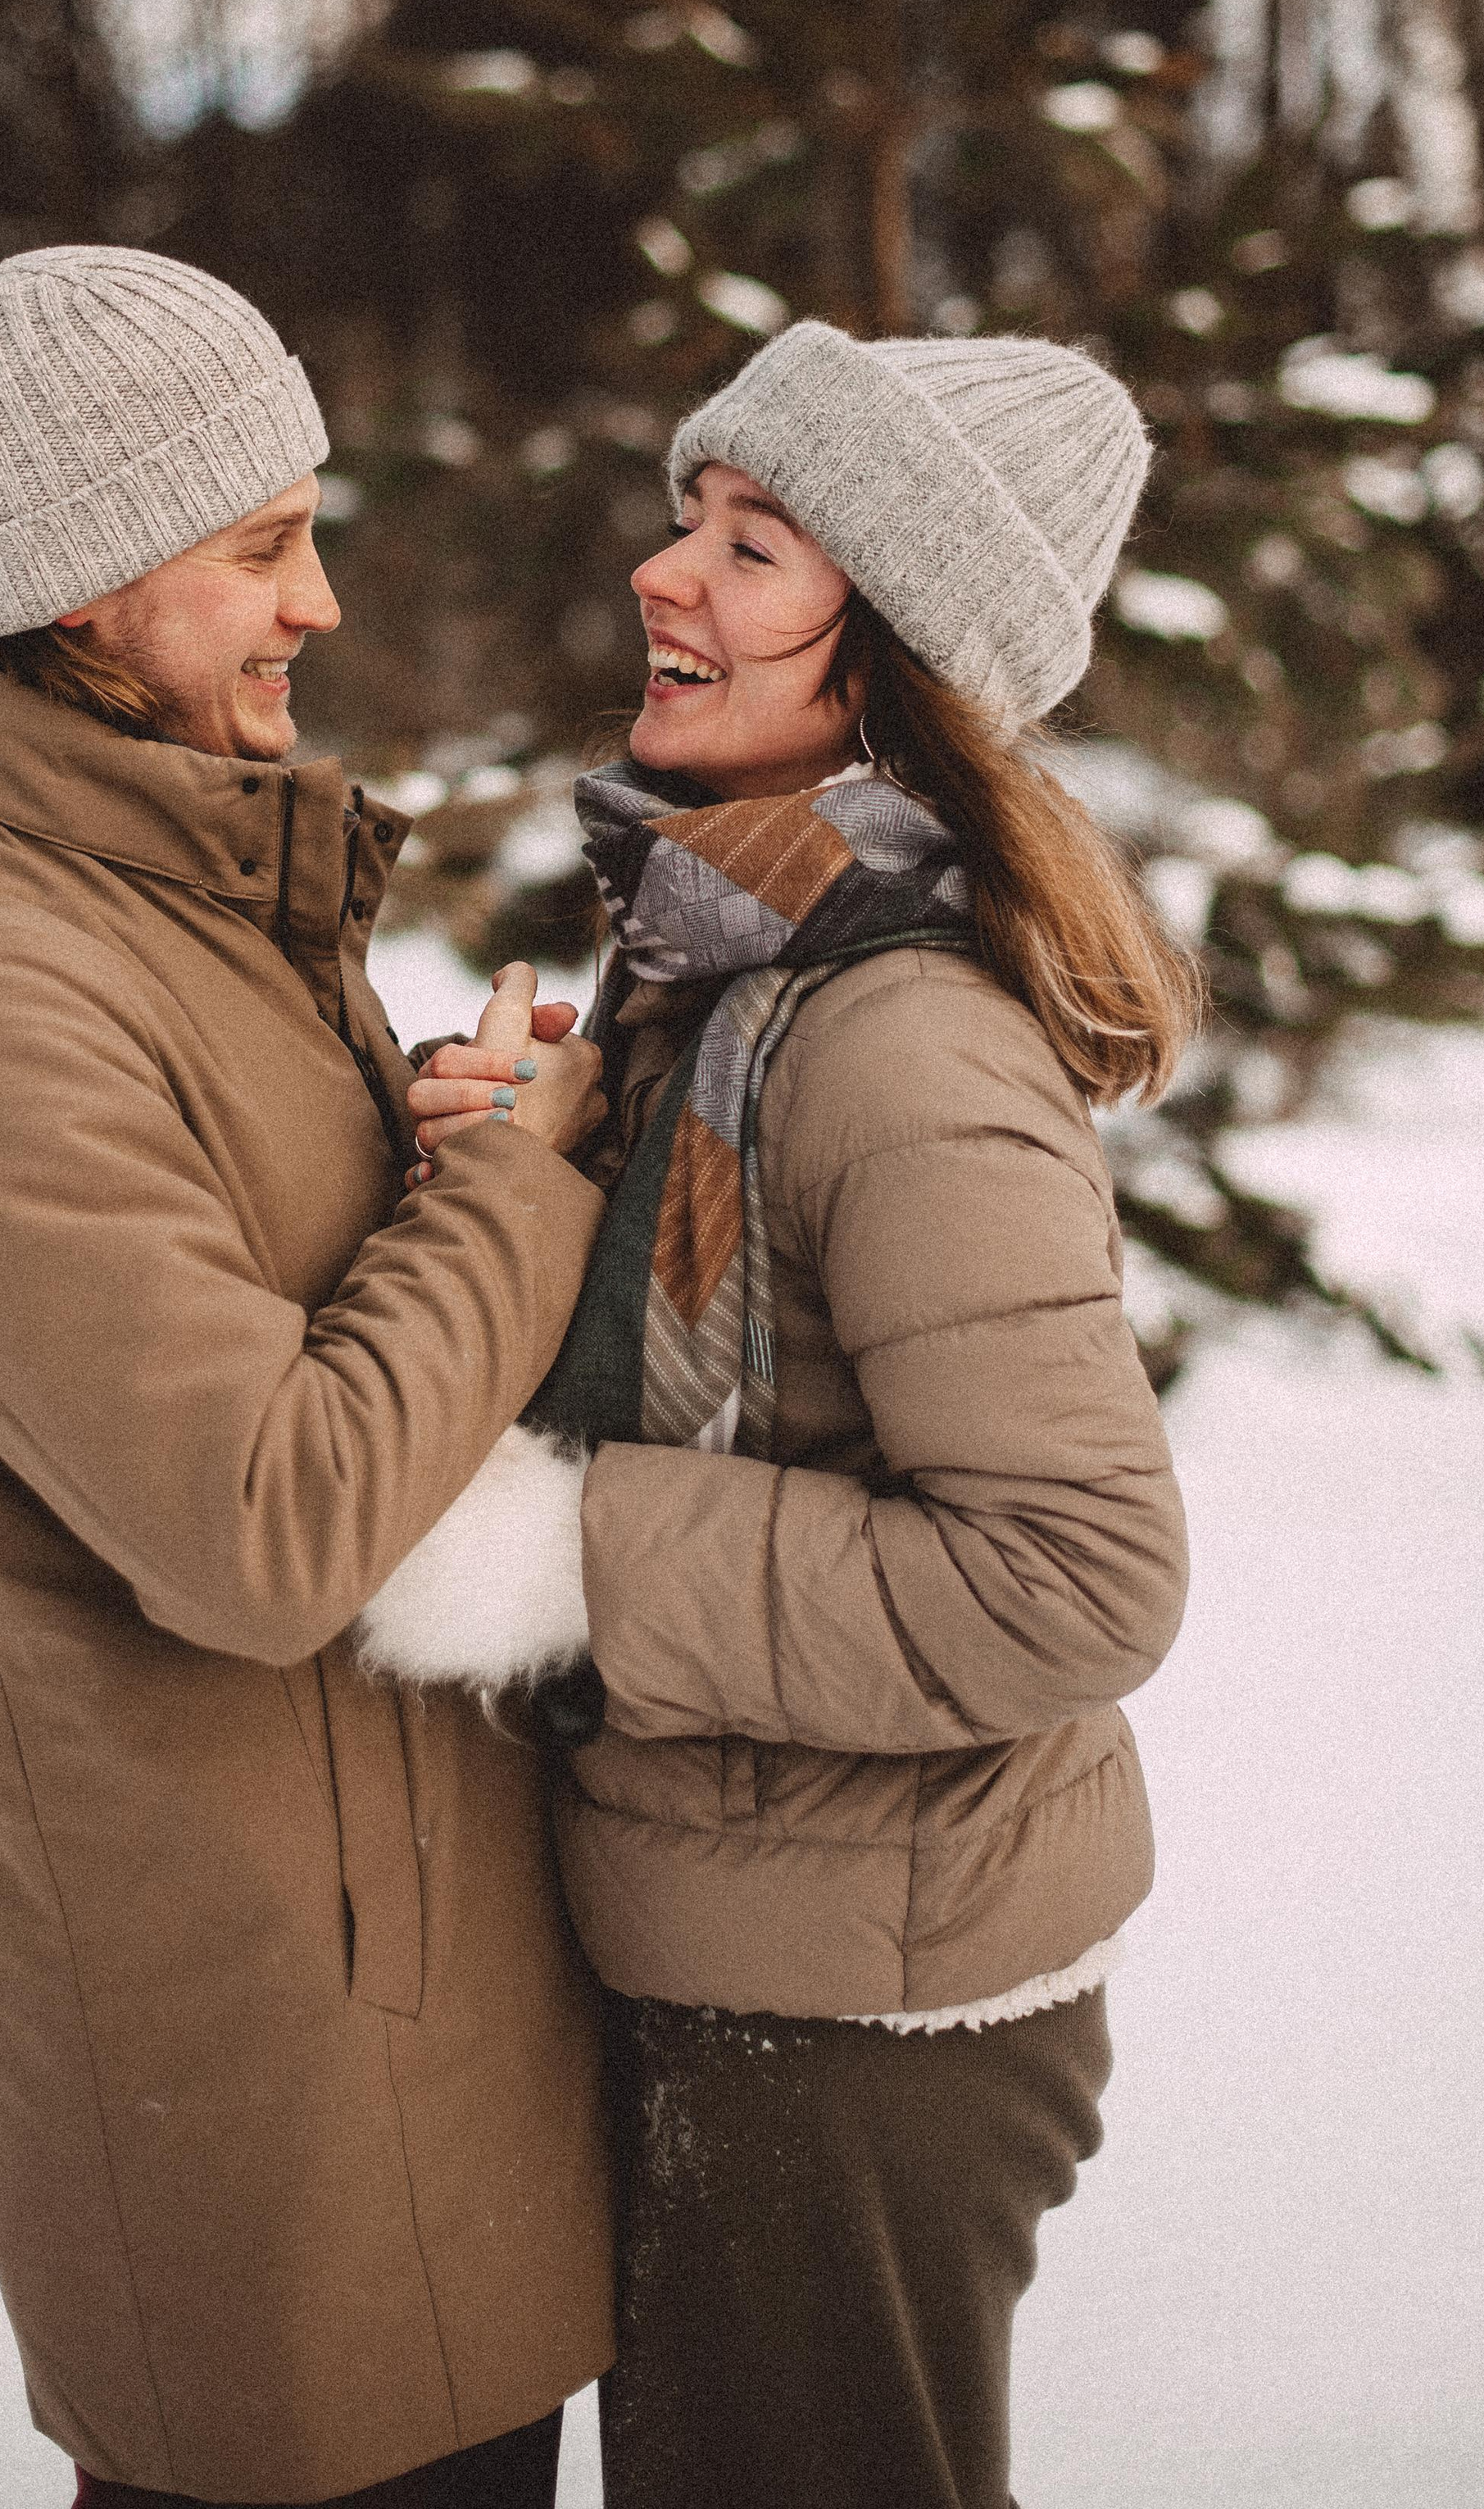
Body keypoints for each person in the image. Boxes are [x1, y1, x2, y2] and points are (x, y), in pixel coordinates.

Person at [357, 320, 1197, 2509]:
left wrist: (566, 1553)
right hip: (753, 1951)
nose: (666, 570)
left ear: (893, 651)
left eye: (755, 542)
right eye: (688, 515)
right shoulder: (717, 969)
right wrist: (538, 1168)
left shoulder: (890, 1035)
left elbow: (1073, 1575)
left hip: (863, 2025)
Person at [0, 247, 615, 2509]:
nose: (320, 603)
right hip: (268, 2130)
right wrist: (518, 1193)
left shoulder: (180, 897)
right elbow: (264, 1524)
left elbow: (310, 1321)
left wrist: (446, 1135)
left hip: (414, 2060)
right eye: (263, 543)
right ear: (83, 592)